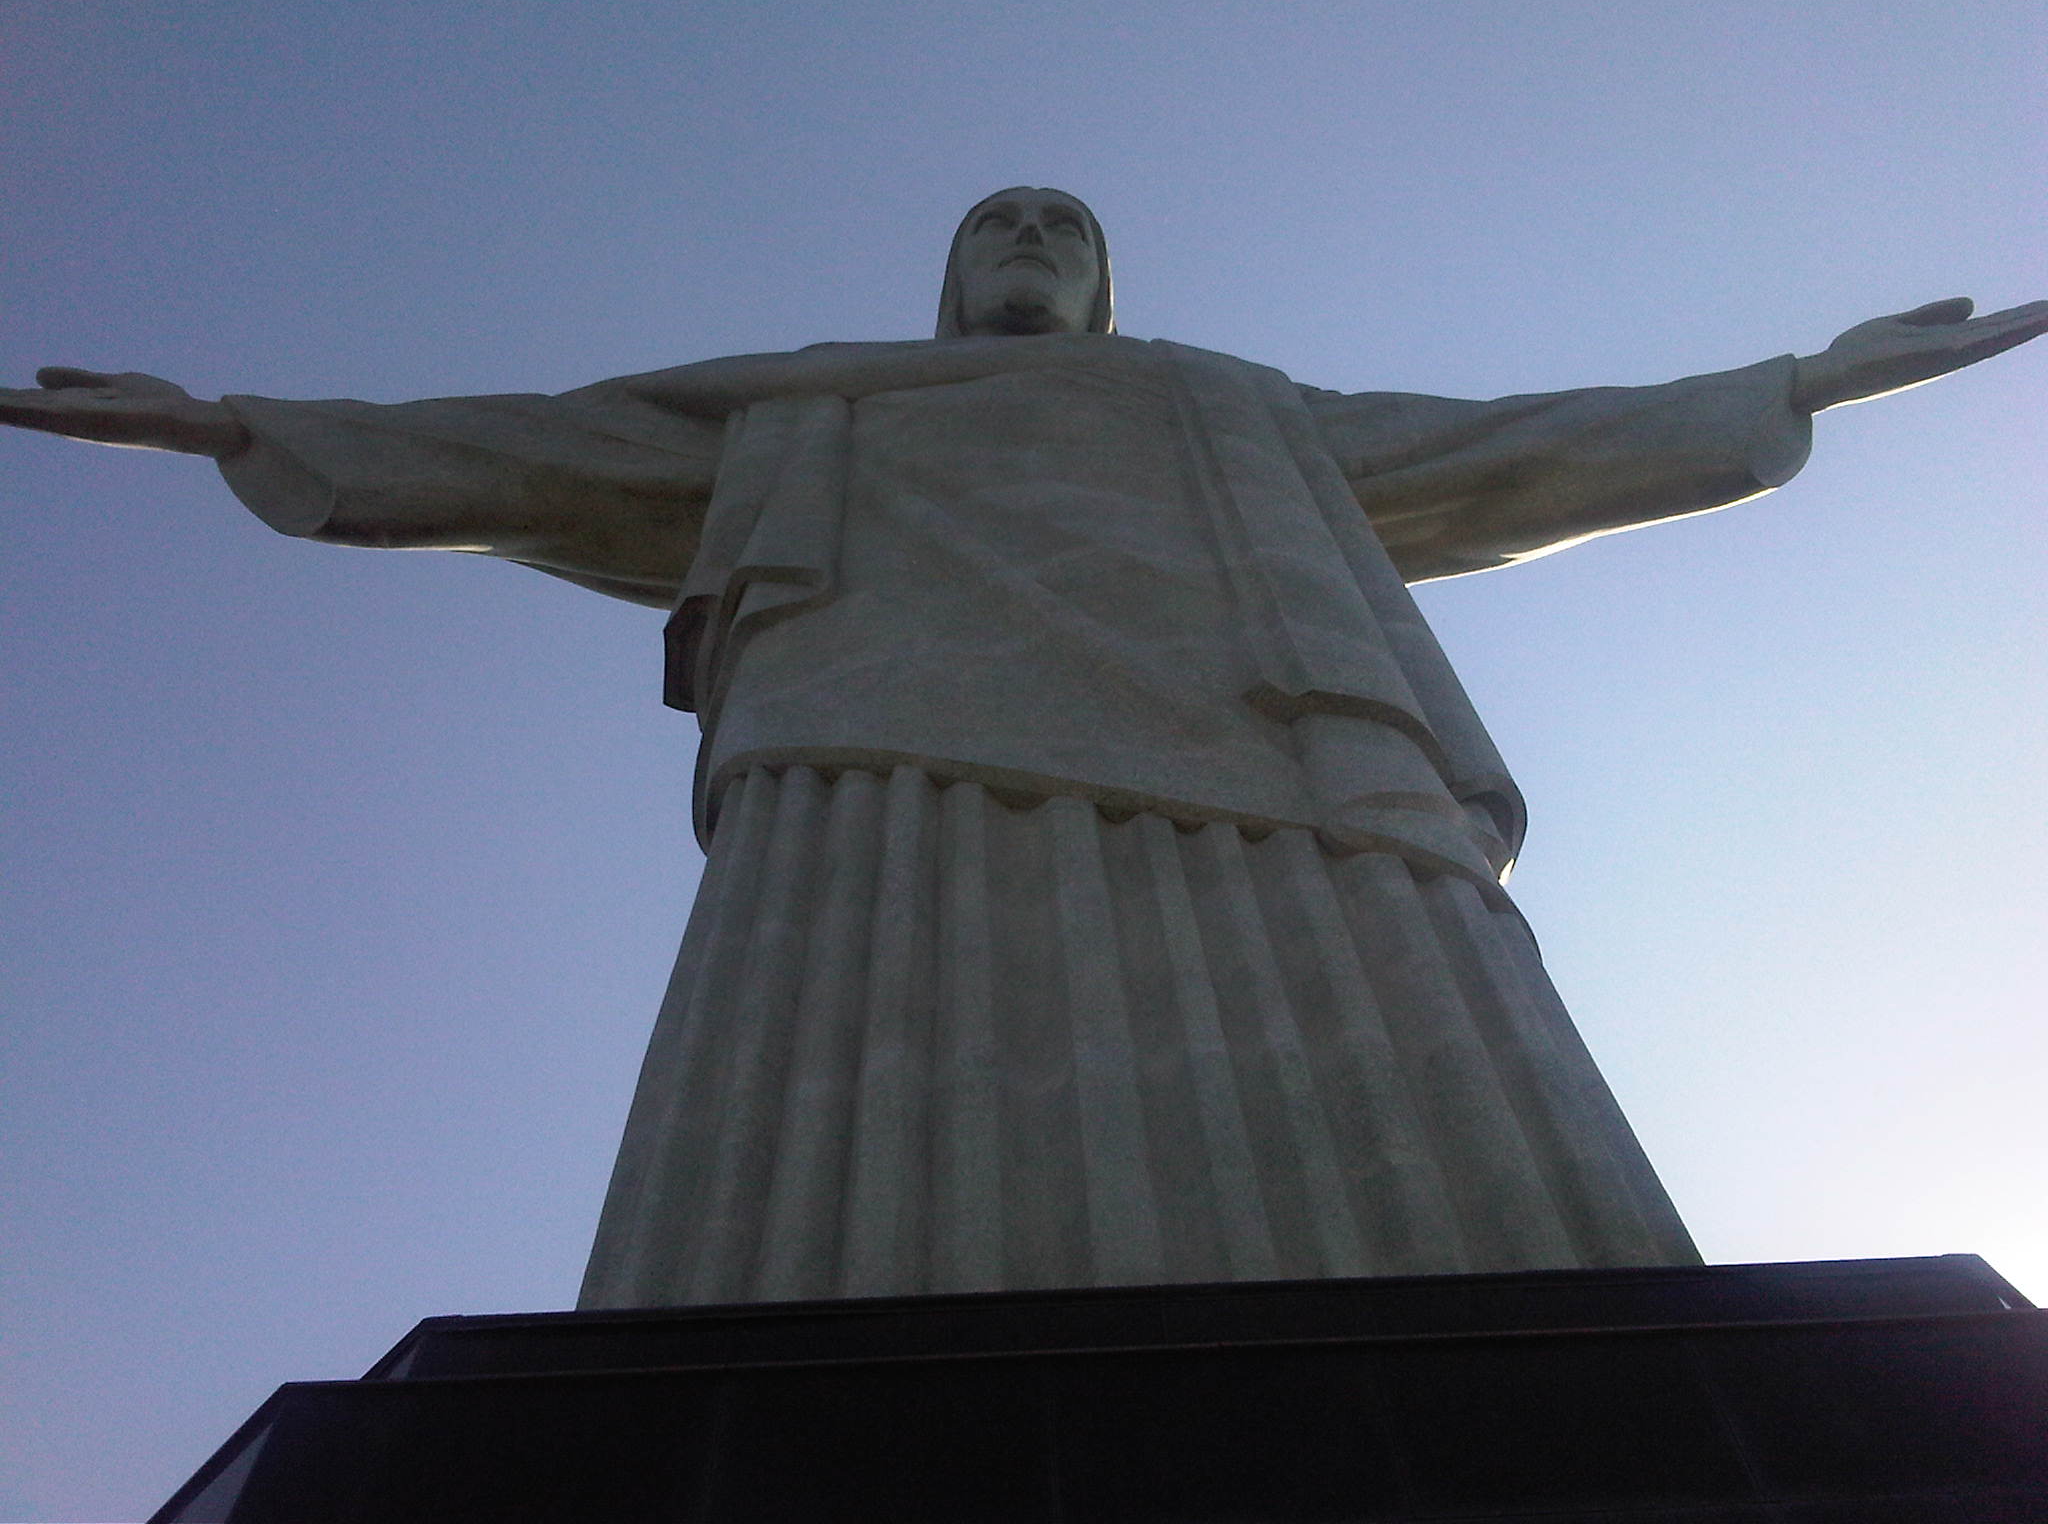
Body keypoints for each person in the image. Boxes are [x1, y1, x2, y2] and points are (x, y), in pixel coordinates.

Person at [6, 188, 2041, 1308]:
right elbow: (544, 451)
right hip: (870, 759)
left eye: (1062, 230)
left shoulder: (1227, 406)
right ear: (948, 276)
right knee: (838, 1126)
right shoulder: (817, 399)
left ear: (1105, 284)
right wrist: (237, 426)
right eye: (997, 227)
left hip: (1286, 754)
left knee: (1440, 1127)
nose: (1029, 245)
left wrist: (1798, 384)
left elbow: (1504, 450)